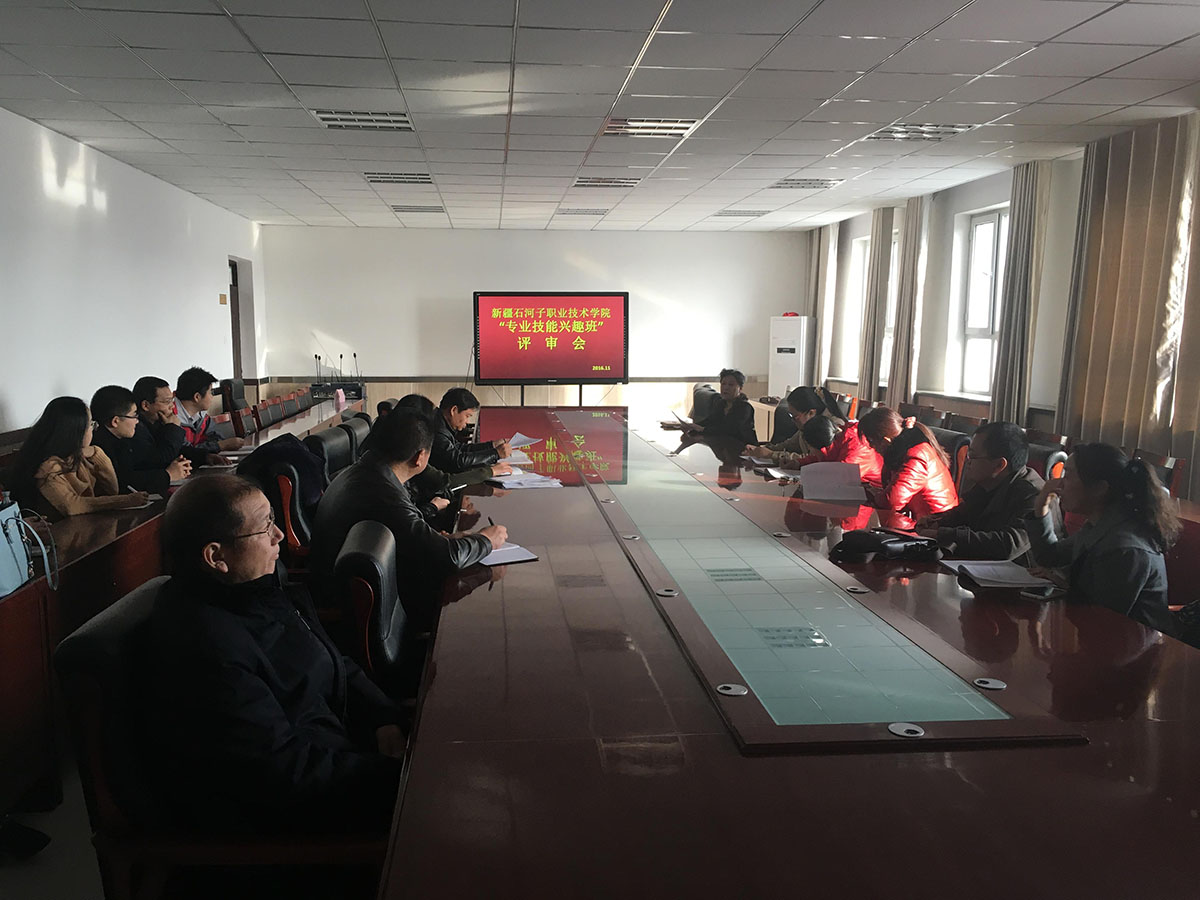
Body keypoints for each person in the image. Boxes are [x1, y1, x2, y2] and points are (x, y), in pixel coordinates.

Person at [142, 475, 404, 834]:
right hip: (313, 813)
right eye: (266, 526)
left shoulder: (255, 590)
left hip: (347, 756)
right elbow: (285, 771)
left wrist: (383, 717)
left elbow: (333, 661)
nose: (279, 535)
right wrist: (403, 776)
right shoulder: (205, 647)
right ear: (216, 556)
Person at [309, 407, 507, 632]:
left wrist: (445, 538)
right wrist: (486, 540)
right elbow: (447, 558)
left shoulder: (367, 470)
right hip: (353, 613)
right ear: (420, 457)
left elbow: (408, 530)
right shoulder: (383, 492)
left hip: (348, 590)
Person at [1027, 443, 1178, 634]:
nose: (1059, 484)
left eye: (1068, 476)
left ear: (1099, 488)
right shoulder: (1100, 524)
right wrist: (1041, 507)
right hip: (1105, 641)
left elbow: (1101, 619)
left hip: (1135, 647)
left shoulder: (1124, 547)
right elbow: (1049, 556)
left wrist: (1065, 583)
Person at [914, 422, 1044, 560]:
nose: (967, 462)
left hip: (1021, 571)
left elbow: (1008, 545)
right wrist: (936, 521)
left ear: (999, 465)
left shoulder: (1034, 496)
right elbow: (962, 514)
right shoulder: (988, 484)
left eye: (972, 456)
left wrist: (942, 534)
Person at [7, 396, 149, 520]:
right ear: (75, 432)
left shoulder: (78, 457)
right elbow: (72, 506)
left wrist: (98, 454)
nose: (93, 429)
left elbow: (111, 491)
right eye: (90, 424)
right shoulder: (47, 468)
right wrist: (125, 500)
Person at [858, 406, 957, 520]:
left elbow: (892, 501)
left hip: (934, 523)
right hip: (918, 518)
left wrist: (874, 496)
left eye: (871, 441)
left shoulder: (916, 455)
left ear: (886, 441)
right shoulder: (901, 450)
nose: (871, 446)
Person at [781, 389, 883, 487]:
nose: (812, 453)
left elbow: (839, 478)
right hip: (854, 489)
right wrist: (798, 463)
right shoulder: (832, 439)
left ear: (822, 449)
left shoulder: (855, 448)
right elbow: (820, 459)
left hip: (872, 491)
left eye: (812, 450)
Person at [431, 387, 511, 473]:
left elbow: (460, 449)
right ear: (454, 410)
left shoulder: (440, 424)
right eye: (467, 416)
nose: (467, 422)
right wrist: (495, 454)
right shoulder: (436, 431)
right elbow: (457, 461)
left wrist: (492, 445)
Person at [131, 375, 198, 476]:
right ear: (146, 405)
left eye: (172, 400)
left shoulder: (158, 422)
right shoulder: (135, 428)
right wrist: (173, 428)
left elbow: (179, 450)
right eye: (167, 402)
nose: (172, 406)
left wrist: (205, 456)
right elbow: (161, 460)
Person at [745, 386, 833, 462]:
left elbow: (812, 459)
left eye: (795, 416)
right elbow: (788, 445)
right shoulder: (805, 429)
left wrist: (771, 454)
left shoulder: (827, 430)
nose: (792, 421)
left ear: (811, 413)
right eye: (790, 415)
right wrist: (757, 450)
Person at [174, 366, 244, 454]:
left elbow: (217, 437)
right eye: (211, 392)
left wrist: (213, 446)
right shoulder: (171, 419)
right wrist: (219, 446)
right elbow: (185, 451)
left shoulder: (202, 416)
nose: (212, 396)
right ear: (197, 397)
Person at [88, 385, 143, 494]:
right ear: (115, 421)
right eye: (134, 416)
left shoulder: (121, 440)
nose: (137, 421)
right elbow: (123, 483)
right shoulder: (99, 449)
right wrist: (168, 475)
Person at [681, 368, 757, 445]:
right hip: (723, 446)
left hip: (745, 448)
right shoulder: (721, 403)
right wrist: (691, 427)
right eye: (723, 384)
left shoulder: (745, 407)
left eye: (731, 385)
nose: (726, 388)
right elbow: (710, 421)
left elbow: (729, 430)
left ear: (740, 388)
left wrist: (703, 429)